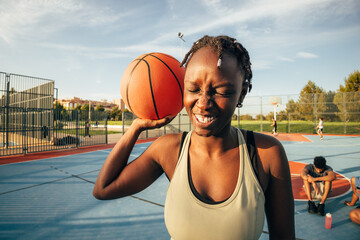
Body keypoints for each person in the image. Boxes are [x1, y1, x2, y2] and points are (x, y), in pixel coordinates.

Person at [93, 35, 295, 239]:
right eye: (193, 89)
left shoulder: (265, 154)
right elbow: (104, 189)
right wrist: (136, 127)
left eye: (221, 91)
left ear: (241, 94)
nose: (204, 102)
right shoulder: (169, 150)